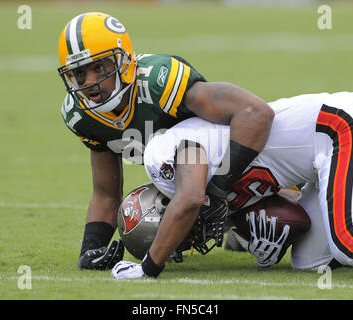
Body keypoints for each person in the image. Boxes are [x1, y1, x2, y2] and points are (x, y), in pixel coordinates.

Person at [57, 12, 275, 272]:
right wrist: (92, 249)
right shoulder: (81, 115)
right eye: (79, 73)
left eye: (99, 68)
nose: (90, 82)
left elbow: (249, 113)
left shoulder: (158, 80)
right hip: (185, 182)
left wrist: (218, 192)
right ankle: (230, 223)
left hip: (235, 166)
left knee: (279, 223)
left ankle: (243, 218)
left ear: (122, 61)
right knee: (140, 211)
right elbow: (106, 193)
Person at [111, 91, 353, 279]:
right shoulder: (190, 182)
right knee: (312, 261)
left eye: (178, 238)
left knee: (349, 243)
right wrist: (256, 235)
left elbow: (190, 199)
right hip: (323, 157)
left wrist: (148, 268)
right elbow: (281, 191)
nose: (188, 241)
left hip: (344, 125)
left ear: (164, 212)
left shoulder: (160, 155)